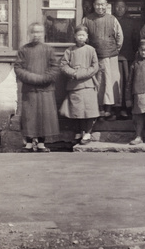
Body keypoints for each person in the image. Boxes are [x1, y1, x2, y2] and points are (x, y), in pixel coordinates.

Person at [14, 22, 60, 152]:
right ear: (29, 34)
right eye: (34, 32)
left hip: (45, 88)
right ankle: (28, 142)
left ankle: (41, 143)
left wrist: (44, 78)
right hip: (30, 89)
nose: (36, 35)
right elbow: (18, 68)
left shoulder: (49, 50)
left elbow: (55, 68)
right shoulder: (24, 50)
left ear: (43, 34)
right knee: (30, 115)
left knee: (43, 116)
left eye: (39, 32)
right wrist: (33, 78)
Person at [82, 0, 123, 121]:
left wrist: (113, 50)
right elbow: (83, 38)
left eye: (103, 5)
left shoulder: (112, 19)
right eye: (98, 5)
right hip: (95, 58)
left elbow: (119, 38)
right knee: (98, 83)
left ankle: (109, 111)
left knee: (110, 84)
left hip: (111, 57)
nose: (100, 7)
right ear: (94, 5)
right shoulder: (87, 20)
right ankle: (98, 110)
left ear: (106, 5)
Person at [59, 25, 100, 145]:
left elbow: (95, 66)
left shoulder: (91, 50)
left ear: (87, 37)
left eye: (83, 35)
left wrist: (81, 74)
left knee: (88, 110)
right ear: (75, 36)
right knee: (76, 110)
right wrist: (74, 73)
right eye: (79, 35)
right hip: (74, 84)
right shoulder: (69, 51)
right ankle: (78, 131)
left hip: (88, 84)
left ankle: (87, 132)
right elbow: (63, 65)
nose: (81, 37)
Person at [114, 0, 141, 119]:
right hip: (113, 57)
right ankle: (114, 109)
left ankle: (125, 108)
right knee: (114, 83)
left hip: (127, 57)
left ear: (126, 8)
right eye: (117, 7)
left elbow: (136, 40)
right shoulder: (111, 20)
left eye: (122, 7)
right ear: (114, 8)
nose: (120, 9)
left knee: (126, 83)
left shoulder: (132, 22)